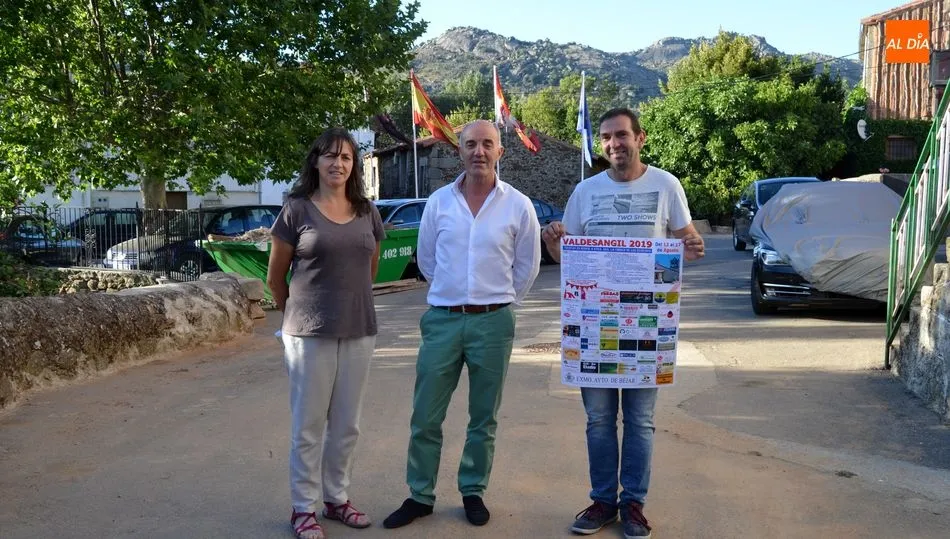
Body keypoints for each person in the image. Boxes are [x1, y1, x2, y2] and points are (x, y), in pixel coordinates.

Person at [541, 108, 705, 539]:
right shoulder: (585, 191)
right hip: (593, 329)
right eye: (608, 137)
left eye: (622, 135)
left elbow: (685, 246)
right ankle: (602, 502)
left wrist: (693, 246)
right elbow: (569, 262)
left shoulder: (667, 185)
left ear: (640, 138)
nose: (615, 143)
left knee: (640, 422)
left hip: (646, 327)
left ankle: (633, 505)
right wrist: (554, 243)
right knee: (598, 420)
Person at [383, 120, 542, 529]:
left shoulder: (518, 205)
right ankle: (420, 495)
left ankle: (473, 490)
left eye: (487, 144)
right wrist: (453, 297)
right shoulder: (438, 202)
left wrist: (501, 303)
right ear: (459, 151)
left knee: (483, 416)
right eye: (470, 144)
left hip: (493, 322)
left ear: (500, 152)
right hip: (443, 321)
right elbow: (428, 261)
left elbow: (527, 265)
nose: (479, 151)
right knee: (425, 415)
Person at [266, 128, 385, 539]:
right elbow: (275, 277)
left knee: (347, 424)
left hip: (359, 330)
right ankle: (303, 508)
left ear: (354, 166)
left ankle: (337, 499)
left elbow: (370, 268)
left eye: (347, 158)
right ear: (315, 161)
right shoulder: (297, 210)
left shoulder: (367, 210)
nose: (338, 164)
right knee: (309, 424)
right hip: (308, 333)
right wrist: (297, 316)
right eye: (330, 156)